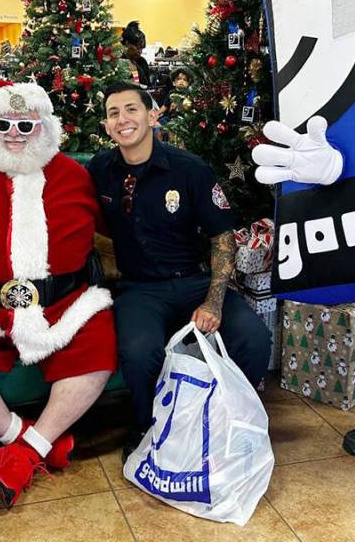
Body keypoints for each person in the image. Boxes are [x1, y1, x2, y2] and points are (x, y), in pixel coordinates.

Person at [0, 82, 117, 506]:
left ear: (44, 126)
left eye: (26, 124)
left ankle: (27, 452)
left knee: (98, 345)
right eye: (3, 123)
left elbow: (116, 227)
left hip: (65, 305)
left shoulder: (75, 175)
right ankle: (31, 440)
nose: (14, 133)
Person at [88, 81, 271, 460]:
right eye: (113, 113)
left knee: (254, 339)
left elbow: (223, 237)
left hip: (196, 280)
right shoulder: (98, 171)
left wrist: (214, 303)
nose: (123, 119)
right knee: (139, 353)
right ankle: (148, 429)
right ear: (106, 126)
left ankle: (229, 420)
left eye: (131, 109)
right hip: (139, 289)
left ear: (152, 115)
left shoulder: (190, 170)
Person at [121, 21, 151, 88]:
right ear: (127, 43)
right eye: (138, 48)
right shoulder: (116, 62)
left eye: (142, 49)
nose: (140, 52)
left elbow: (147, 85)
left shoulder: (142, 62)